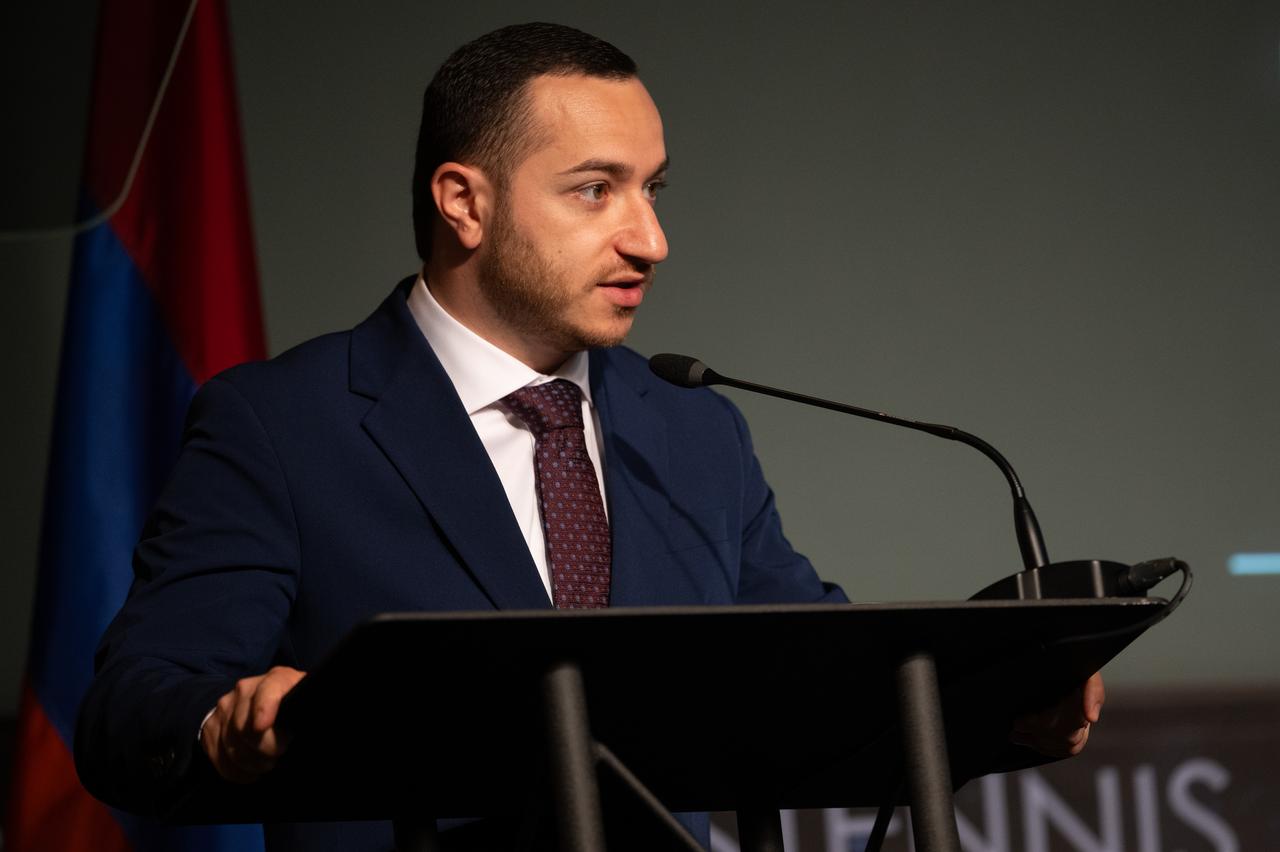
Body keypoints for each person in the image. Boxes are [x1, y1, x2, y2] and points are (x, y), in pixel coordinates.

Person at [75, 22, 1103, 852]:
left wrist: (998, 701)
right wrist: (226, 724)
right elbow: (132, 708)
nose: (648, 238)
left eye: (651, 189)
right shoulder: (283, 424)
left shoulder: (694, 428)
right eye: (593, 189)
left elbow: (818, 689)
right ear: (463, 202)